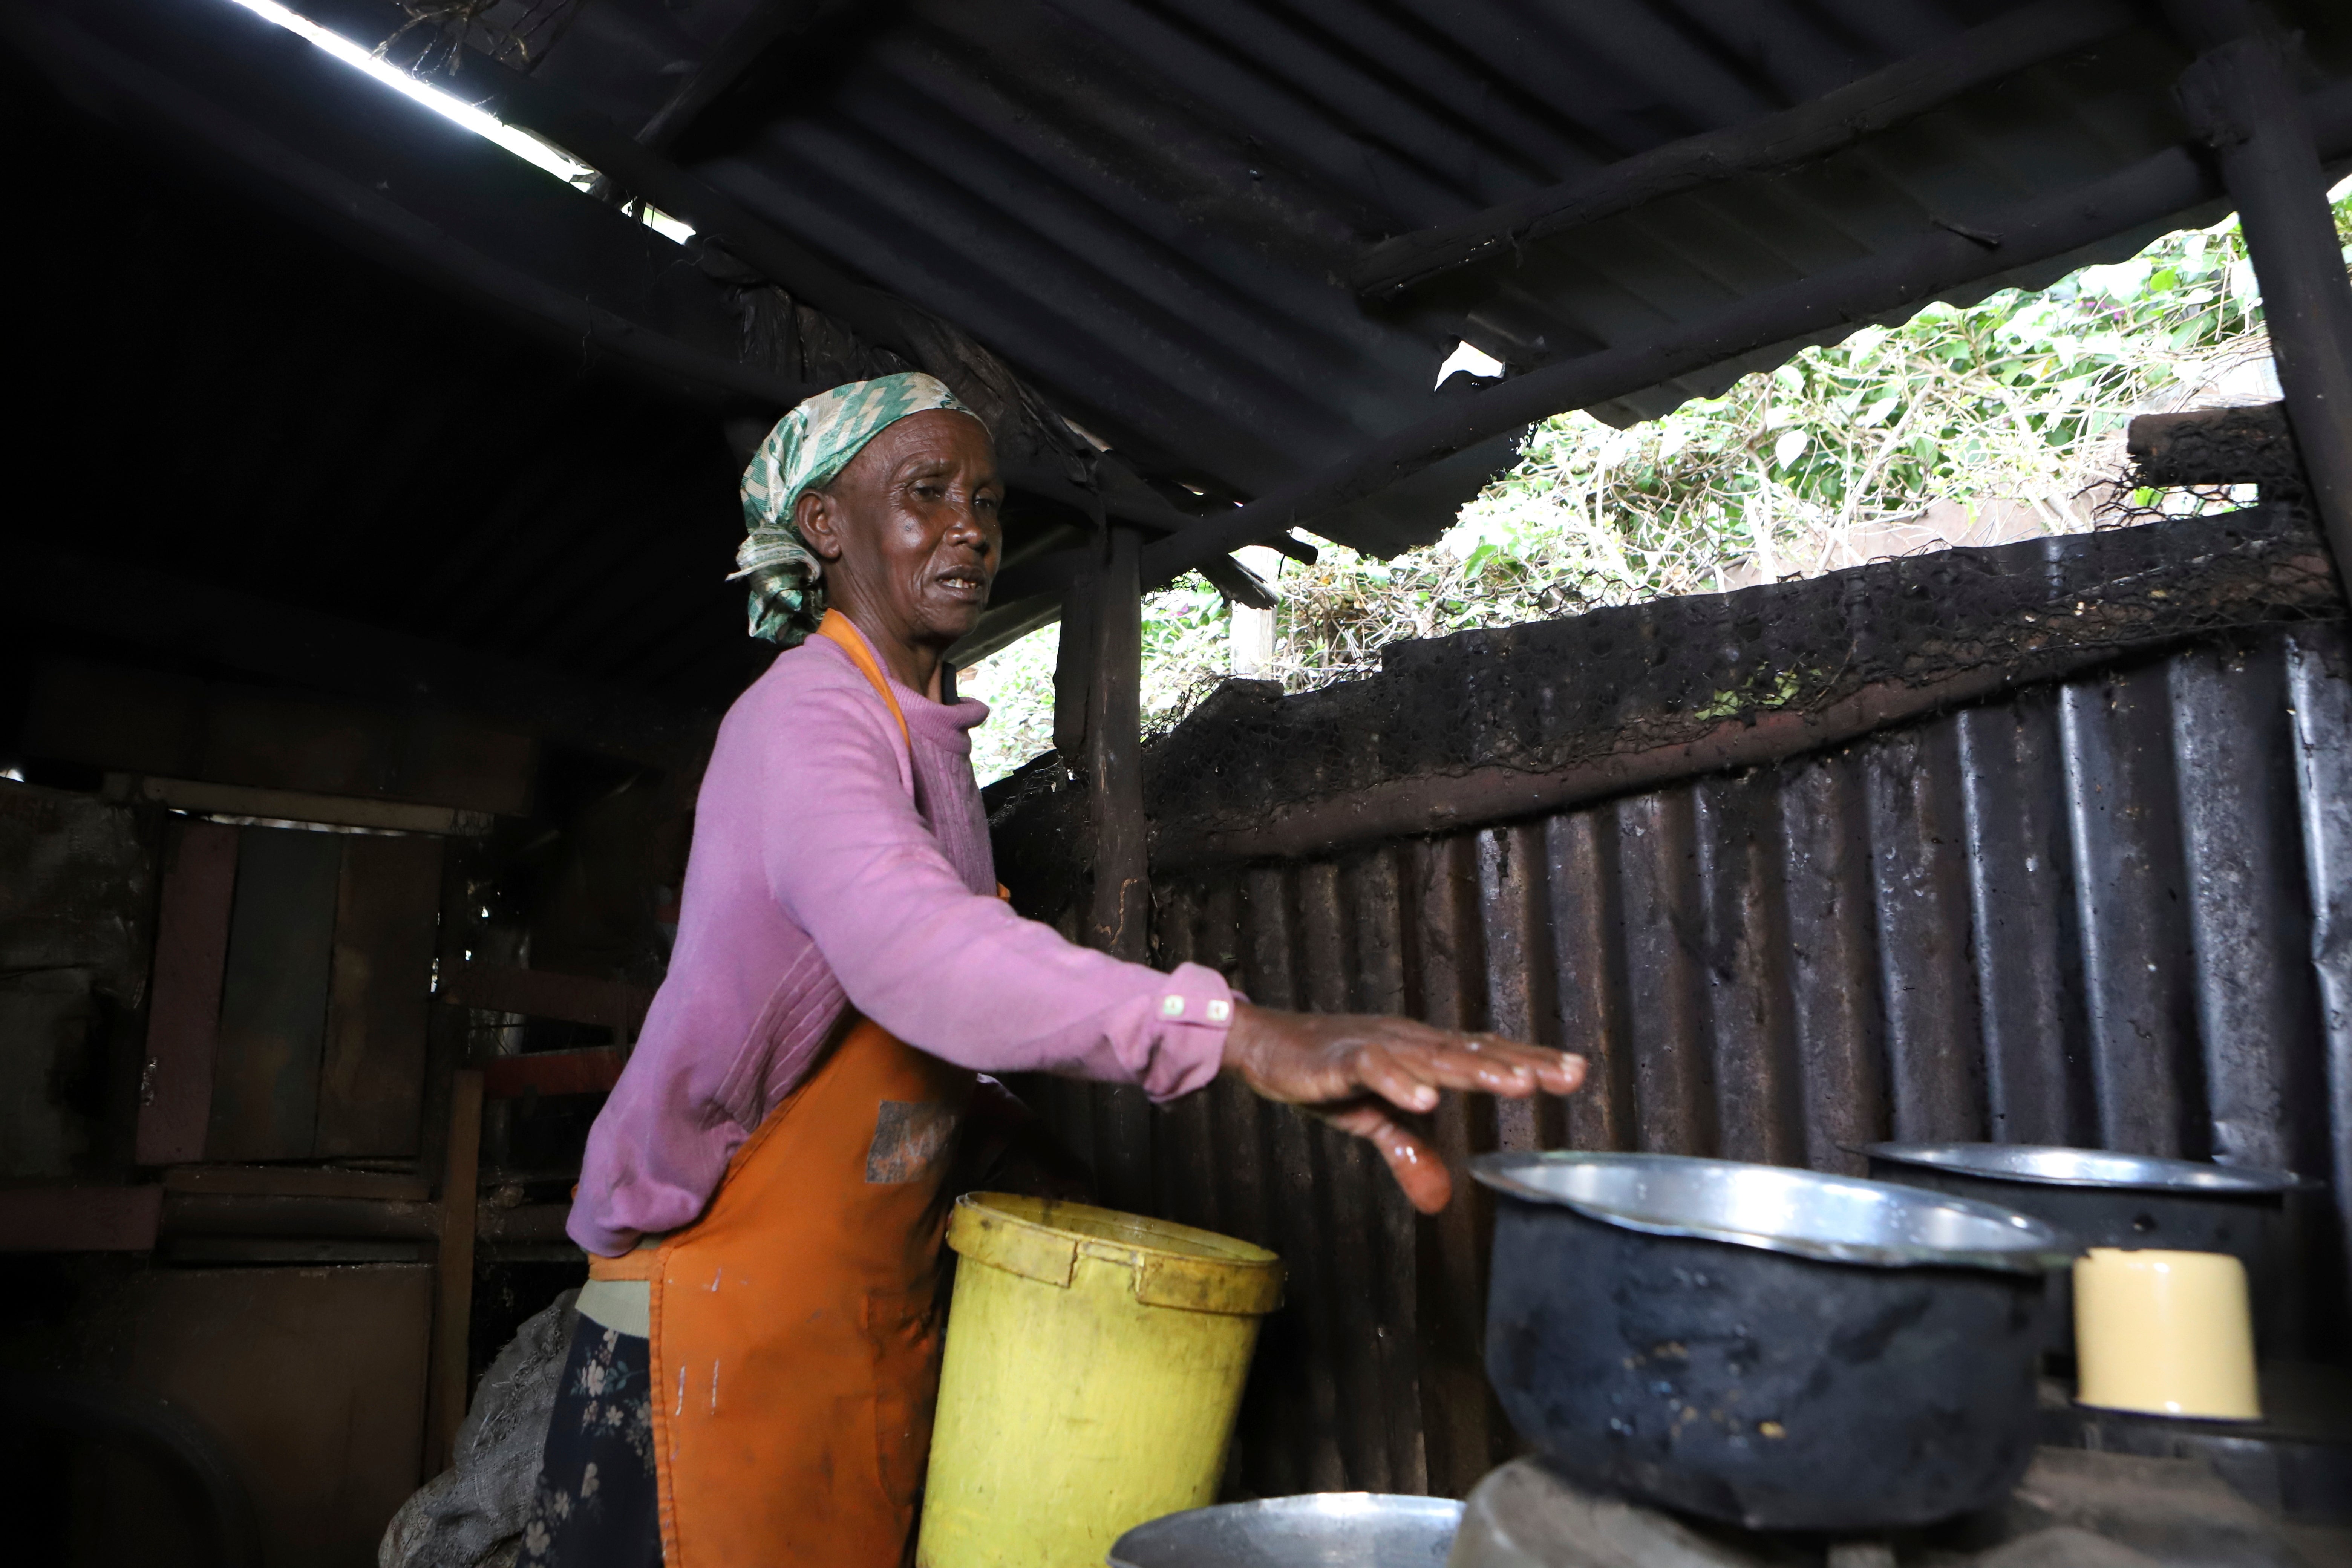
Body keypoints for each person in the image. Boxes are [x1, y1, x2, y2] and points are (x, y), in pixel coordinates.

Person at [519, 373, 1584, 1568]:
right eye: (925, 493)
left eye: (984, 499)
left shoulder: (930, 747)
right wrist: (1236, 1033)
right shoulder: (806, 720)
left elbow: (892, 1056)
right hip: (708, 1336)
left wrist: (1033, 1159)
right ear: (826, 526)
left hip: (861, 1325)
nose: (971, 526)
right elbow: (912, 952)